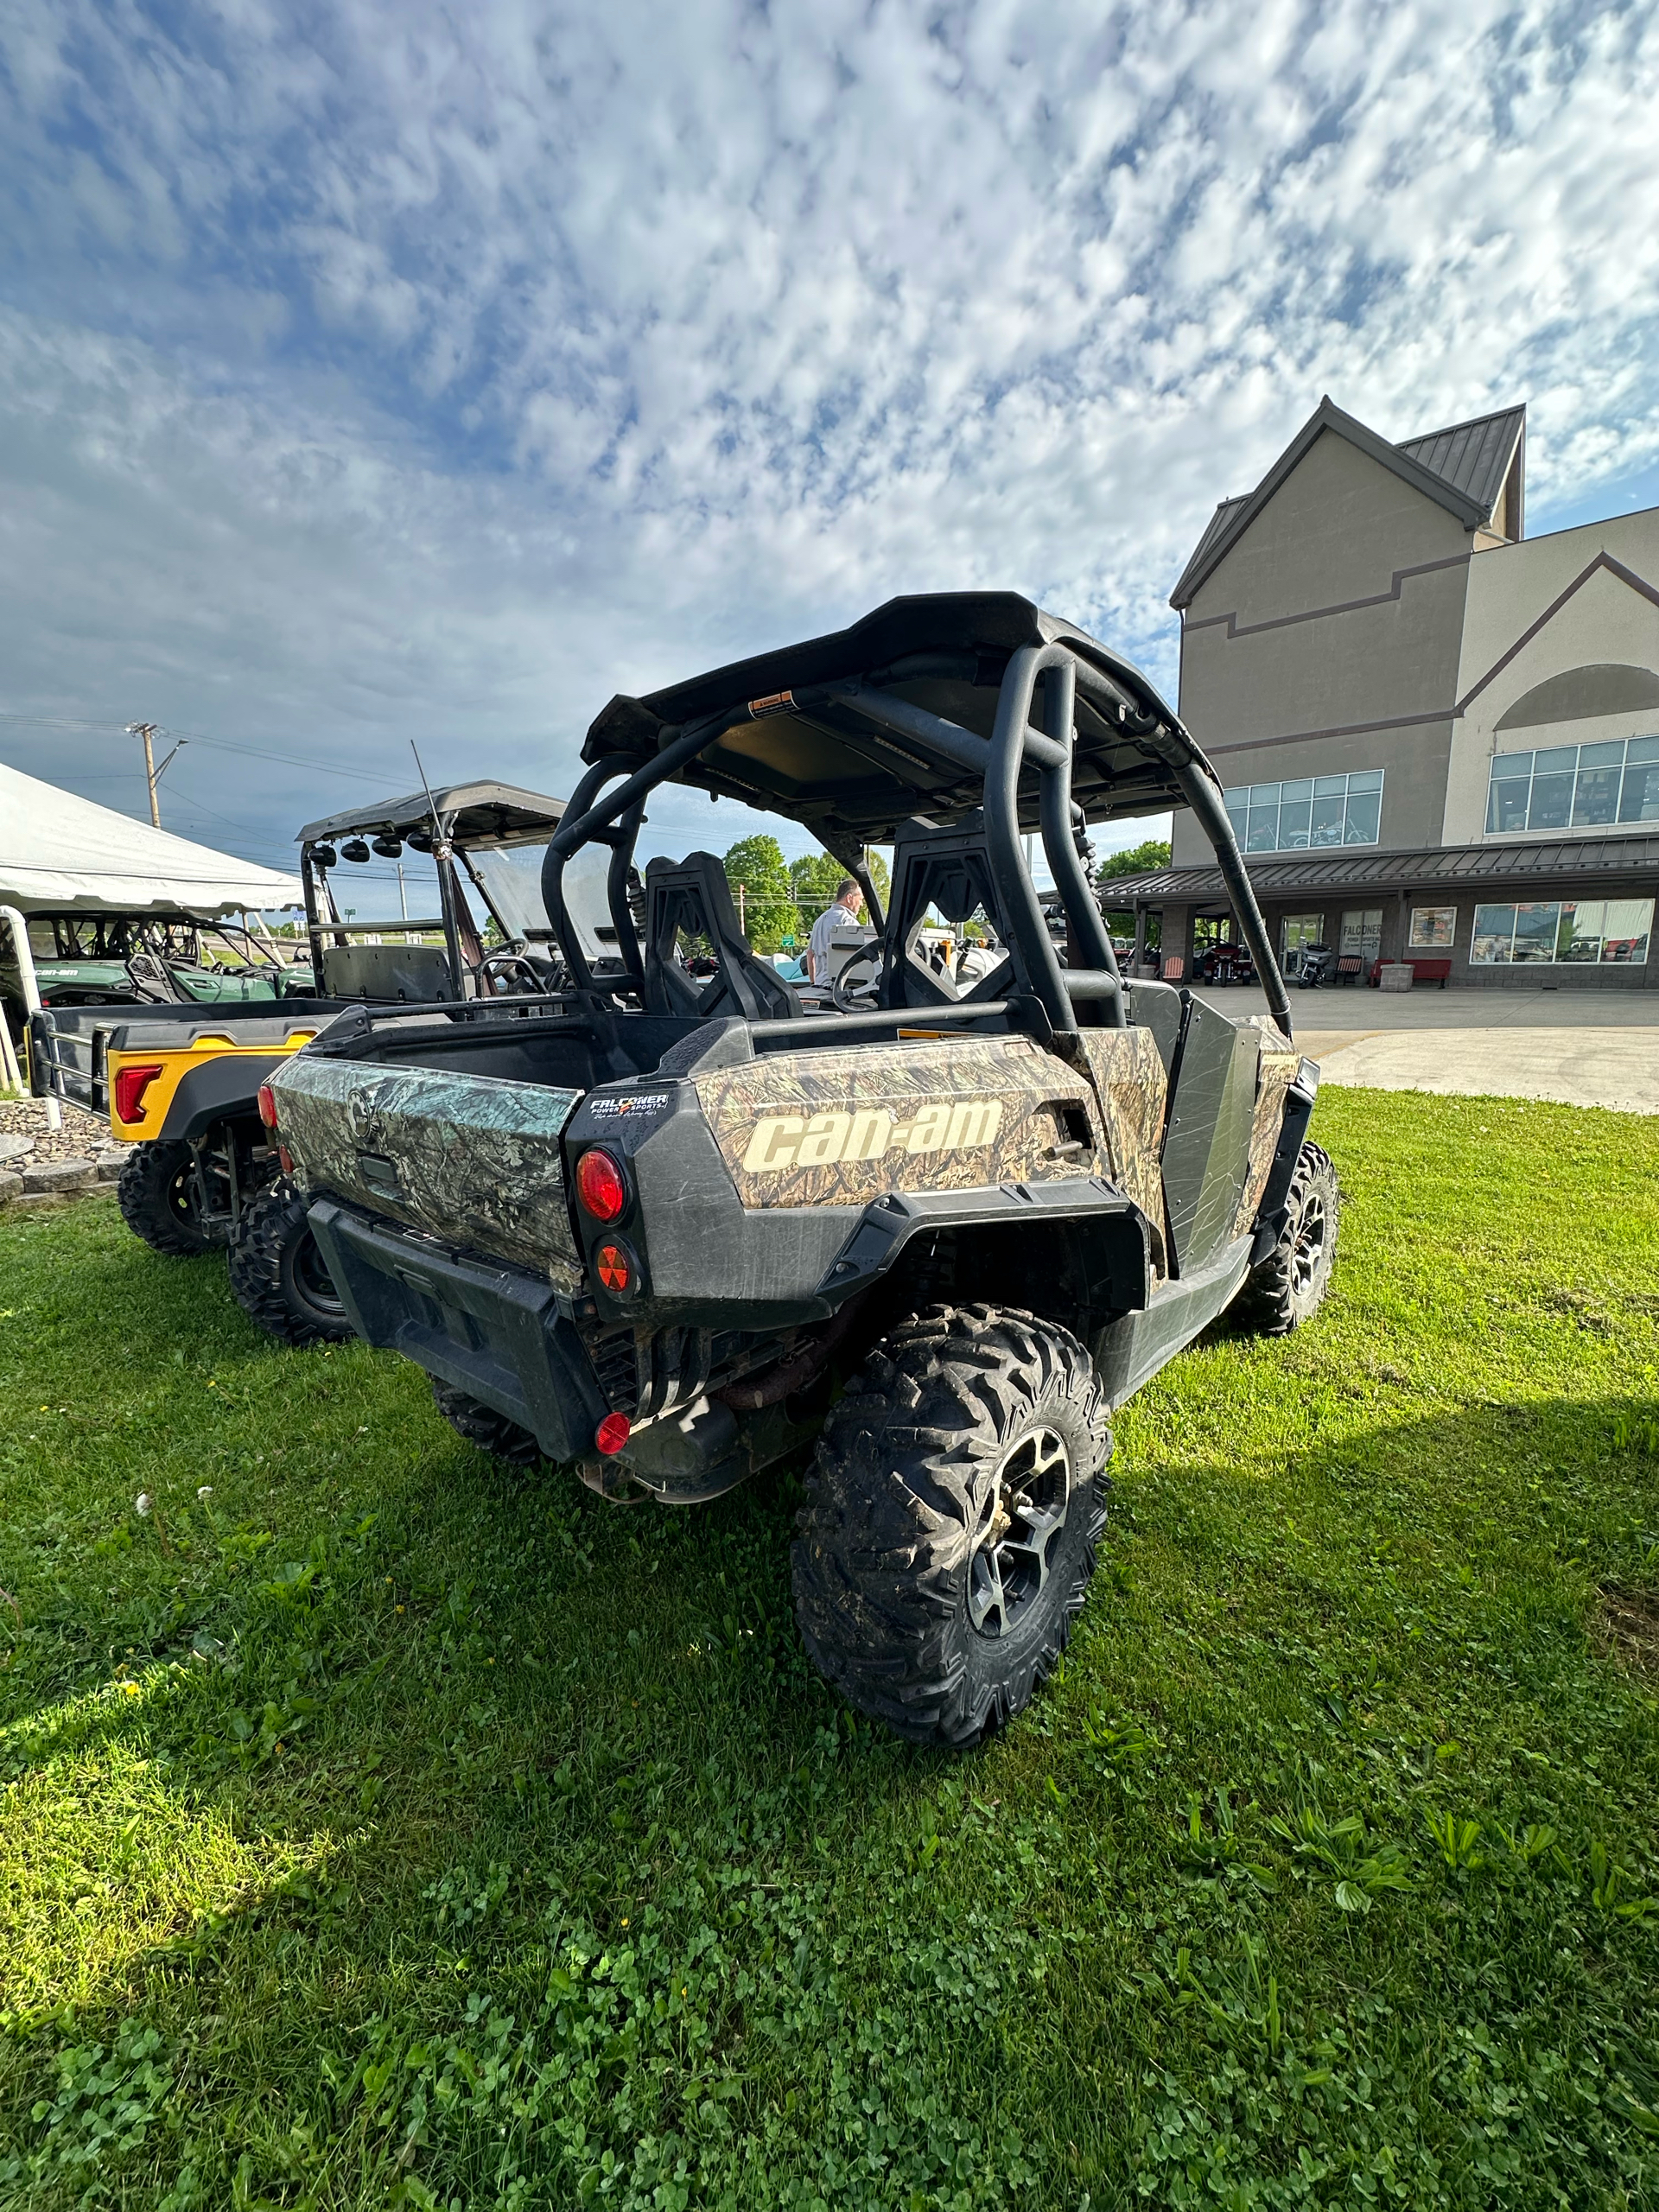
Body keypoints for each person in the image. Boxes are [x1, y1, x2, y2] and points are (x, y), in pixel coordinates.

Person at [807, 878, 865, 983]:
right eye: (860, 899)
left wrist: (813, 982)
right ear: (849, 898)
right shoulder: (849, 922)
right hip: (839, 988)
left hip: (821, 985)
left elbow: (810, 954)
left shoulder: (819, 921)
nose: (862, 904)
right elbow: (854, 958)